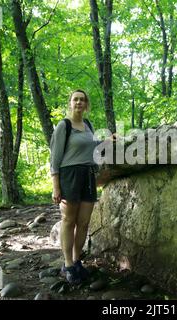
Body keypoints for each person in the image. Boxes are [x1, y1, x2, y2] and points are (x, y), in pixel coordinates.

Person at [49, 89, 113, 285]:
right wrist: (56, 186)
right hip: (69, 176)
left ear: (86, 104)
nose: (79, 102)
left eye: (82, 100)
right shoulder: (63, 126)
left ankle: (77, 261)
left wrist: (107, 141)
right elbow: (55, 158)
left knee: (84, 222)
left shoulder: (88, 125)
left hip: (88, 176)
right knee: (69, 221)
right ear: (70, 103)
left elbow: (92, 148)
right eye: (75, 99)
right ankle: (68, 265)